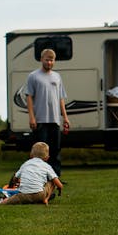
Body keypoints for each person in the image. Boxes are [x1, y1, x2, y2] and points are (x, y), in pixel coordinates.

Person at [24, 48, 70, 177]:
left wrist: (65, 118)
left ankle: (55, 178)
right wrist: (32, 117)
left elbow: (61, 98)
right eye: (47, 60)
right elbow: (29, 97)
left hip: (54, 120)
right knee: (40, 152)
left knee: (55, 151)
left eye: (52, 60)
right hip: (40, 120)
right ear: (41, 60)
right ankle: (39, 177)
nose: (49, 62)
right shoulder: (33, 76)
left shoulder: (57, 76)